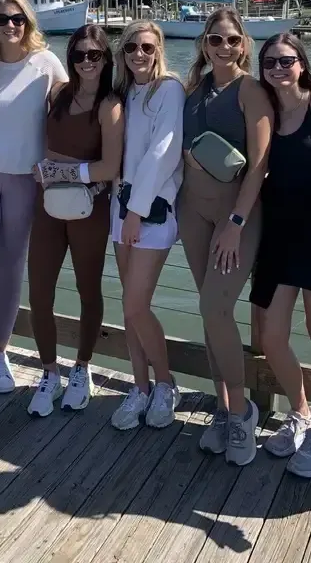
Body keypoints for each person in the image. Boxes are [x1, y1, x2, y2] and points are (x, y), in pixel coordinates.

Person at [0, 0, 68, 398]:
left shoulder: (47, 63)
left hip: (27, 180)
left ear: (29, 21)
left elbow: (74, 109)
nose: (10, 25)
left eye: (18, 18)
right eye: (2, 18)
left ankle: (1, 350)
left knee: (13, 270)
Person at [251, 33, 311, 477]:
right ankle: (301, 410)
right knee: (271, 335)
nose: (277, 68)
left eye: (285, 61)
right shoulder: (265, 111)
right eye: (269, 62)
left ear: (301, 63)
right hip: (278, 236)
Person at [178, 8, 273, 466]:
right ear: (204, 43)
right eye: (216, 39)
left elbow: (260, 165)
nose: (224, 47)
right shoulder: (192, 89)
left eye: (232, 40)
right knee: (207, 310)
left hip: (235, 217)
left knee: (216, 307)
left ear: (244, 45)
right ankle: (222, 406)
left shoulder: (251, 90)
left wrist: (235, 223)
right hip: (191, 210)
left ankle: (242, 413)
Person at [27, 24, 124, 416]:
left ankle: (81, 368)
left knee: (88, 290)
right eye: (80, 55)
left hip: (91, 208)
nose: (87, 62)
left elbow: (110, 167)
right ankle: (49, 372)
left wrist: (59, 170)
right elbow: (47, 146)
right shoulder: (57, 94)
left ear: (105, 58)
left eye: (95, 55)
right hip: (47, 205)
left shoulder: (110, 105)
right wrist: (63, 170)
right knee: (38, 292)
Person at [109, 22, 185, 431]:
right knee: (128, 305)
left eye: (147, 47)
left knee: (137, 304)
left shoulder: (167, 89)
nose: (140, 54)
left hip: (152, 211)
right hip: (120, 208)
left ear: (159, 51)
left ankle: (166, 383)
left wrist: (136, 210)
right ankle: (139, 386)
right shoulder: (125, 92)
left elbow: (164, 151)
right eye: (132, 47)